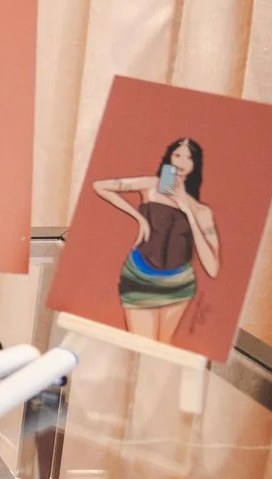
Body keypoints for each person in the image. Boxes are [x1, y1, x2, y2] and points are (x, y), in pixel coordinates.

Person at [90, 138, 220, 342]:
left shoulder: (201, 211)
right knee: (141, 346)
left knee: (162, 350)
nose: (181, 162)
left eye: (189, 157)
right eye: (177, 155)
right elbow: (99, 186)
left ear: (196, 165)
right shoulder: (151, 185)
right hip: (140, 276)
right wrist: (139, 217)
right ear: (169, 157)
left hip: (179, 285)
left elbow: (212, 268)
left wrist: (187, 209)